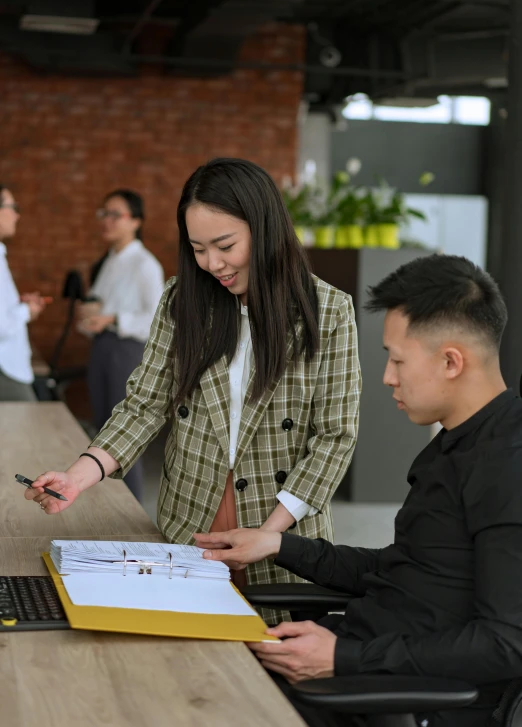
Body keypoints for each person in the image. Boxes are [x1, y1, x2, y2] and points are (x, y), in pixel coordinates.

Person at [193, 254, 522, 727]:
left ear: (451, 362)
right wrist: (279, 544)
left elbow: (506, 644)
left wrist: (344, 659)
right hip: (355, 657)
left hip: (387, 693)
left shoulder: (507, 466)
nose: (388, 376)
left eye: (397, 359)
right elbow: (403, 571)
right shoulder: (452, 448)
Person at [25, 158, 361, 605]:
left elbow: (334, 437)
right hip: (189, 518)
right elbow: (145, 404)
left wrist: (269, 534)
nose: (212, 264)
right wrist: (77, 477)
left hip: (283, 526)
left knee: (274, 655)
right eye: (198, 249)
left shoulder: (329, 310)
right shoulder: (182, 299)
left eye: (225, 245)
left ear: (264, 229)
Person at [76, 189, 164, 502]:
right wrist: (91, 316)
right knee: (103, 433)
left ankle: (131, 511)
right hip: (103, 349)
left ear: (136, 221)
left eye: (115, 214)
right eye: (104, 214)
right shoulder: (109, 261)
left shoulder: (145, 264)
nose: (107, 221)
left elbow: (156, 319)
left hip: (125, 353)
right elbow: (98, 308)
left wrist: (113, 319)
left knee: (122, 437)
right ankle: (110, 507)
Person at [0, 185, 49, 401]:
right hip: (5, 367)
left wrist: (18, 305)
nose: (17, 215)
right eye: (12, 207)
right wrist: (26, 310)